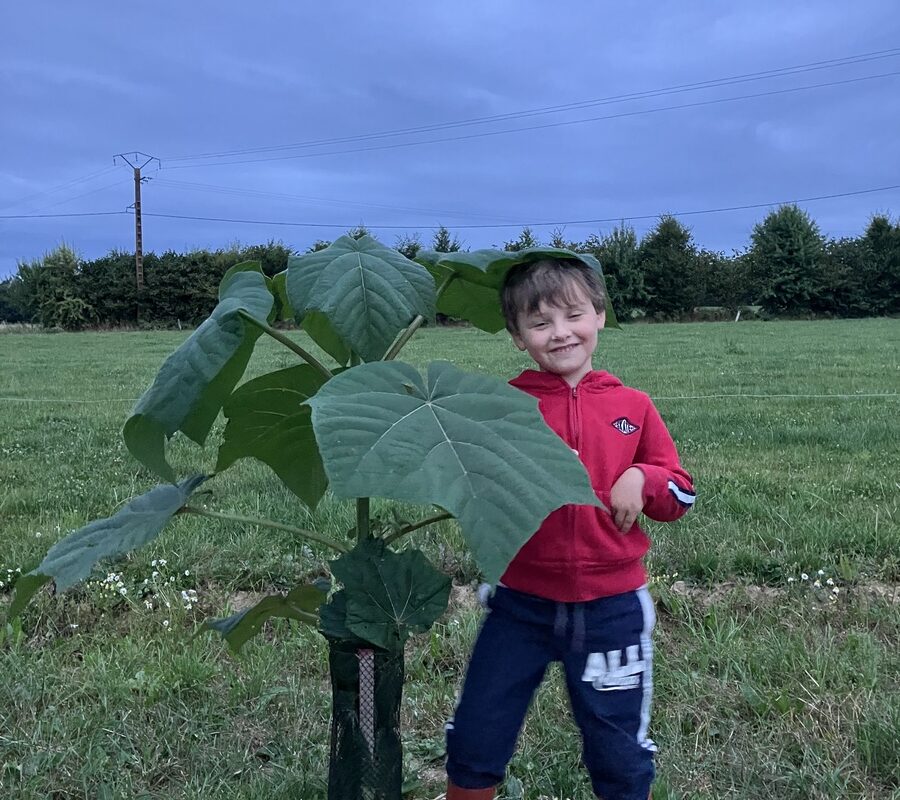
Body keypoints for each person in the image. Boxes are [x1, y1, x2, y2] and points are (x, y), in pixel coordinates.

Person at [445, 258, 696, 800]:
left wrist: (643, 477)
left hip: (612, 609)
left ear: (599, 316)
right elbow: (470, 479)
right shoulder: (500, 407)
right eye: (539, 324)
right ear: (516, 337)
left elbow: (682, 491)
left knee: (618, 750)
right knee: (476, 734)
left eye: (573, 315)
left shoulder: (633, 406)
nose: (560, 333)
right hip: (519, 603)